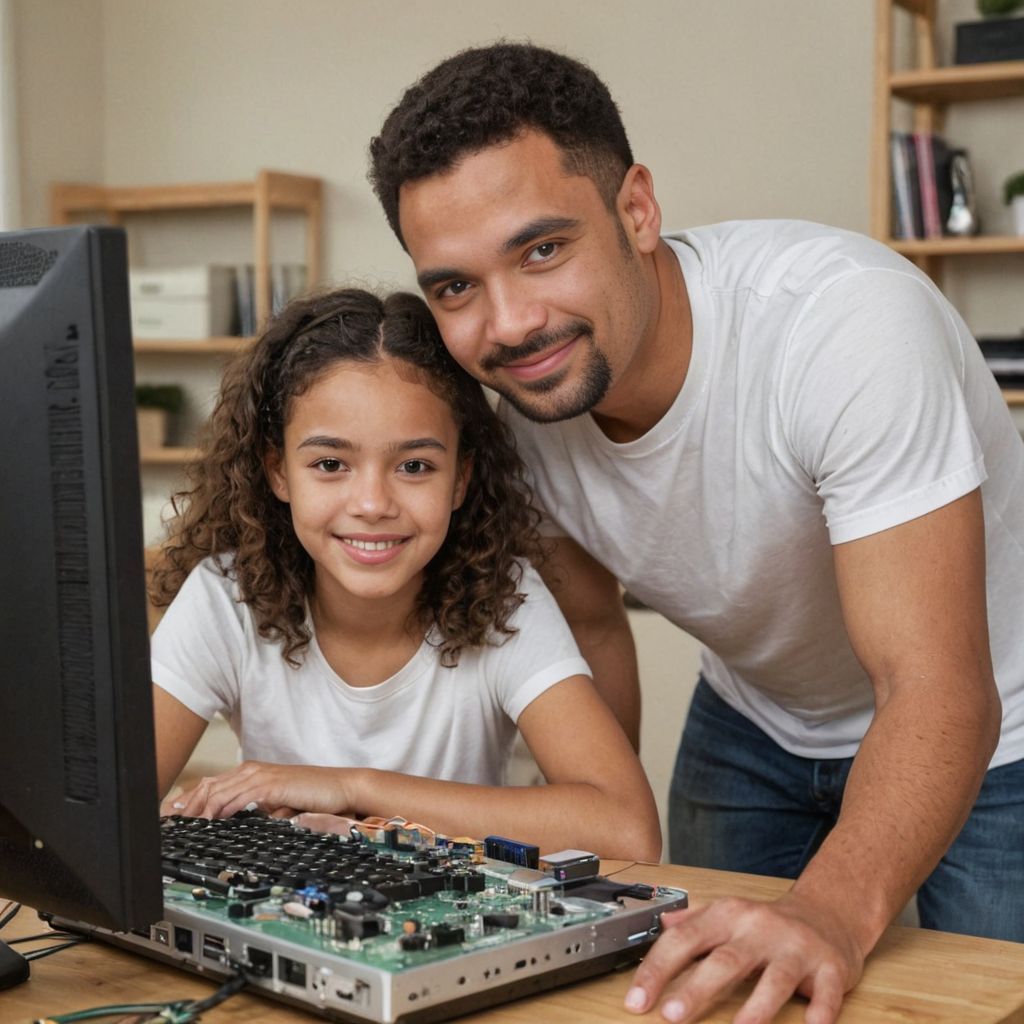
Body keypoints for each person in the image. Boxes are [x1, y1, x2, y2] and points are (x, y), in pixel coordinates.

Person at [368, 42, 1024, 1024]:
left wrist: (832, 911)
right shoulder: (523, 414)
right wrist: (589, 858)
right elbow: (591, 629)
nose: (508, 324)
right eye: (454, 286)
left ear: (636, 210)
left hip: (990, 722)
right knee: (685, 995)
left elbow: (933, 684)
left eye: (541, 248)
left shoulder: (843, 328)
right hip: (752, 716)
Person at [149, 286, 661, 863]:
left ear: (461, 479)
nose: (372, 503)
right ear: (279, 472)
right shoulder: (226, 597)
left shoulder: (504, 599)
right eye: (330, 464)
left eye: (415, 466)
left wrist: (355, 788)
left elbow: (628, 830)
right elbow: (106, 812)